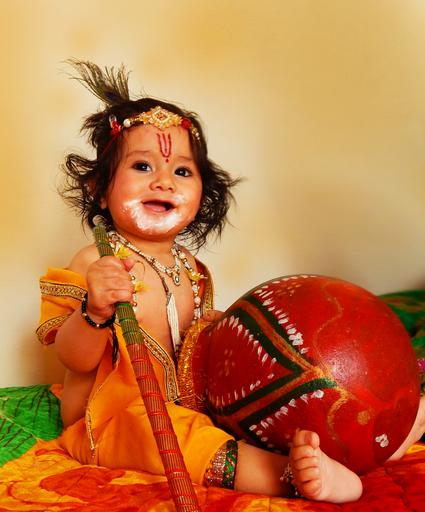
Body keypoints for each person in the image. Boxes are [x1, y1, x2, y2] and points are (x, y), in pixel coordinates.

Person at [37, 60, 425, 504]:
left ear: (203, 192)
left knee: (272, 396)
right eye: (142, 166)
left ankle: (368, 441)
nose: (164, 181)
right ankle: (287, 475)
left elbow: (198, 349)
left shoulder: (191, 268)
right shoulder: (96, 261)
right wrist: (94, 311)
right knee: (183, 438)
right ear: (99, 190)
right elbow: (75, 358)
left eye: (182, 171)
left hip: (191, 403)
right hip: (113, 419)